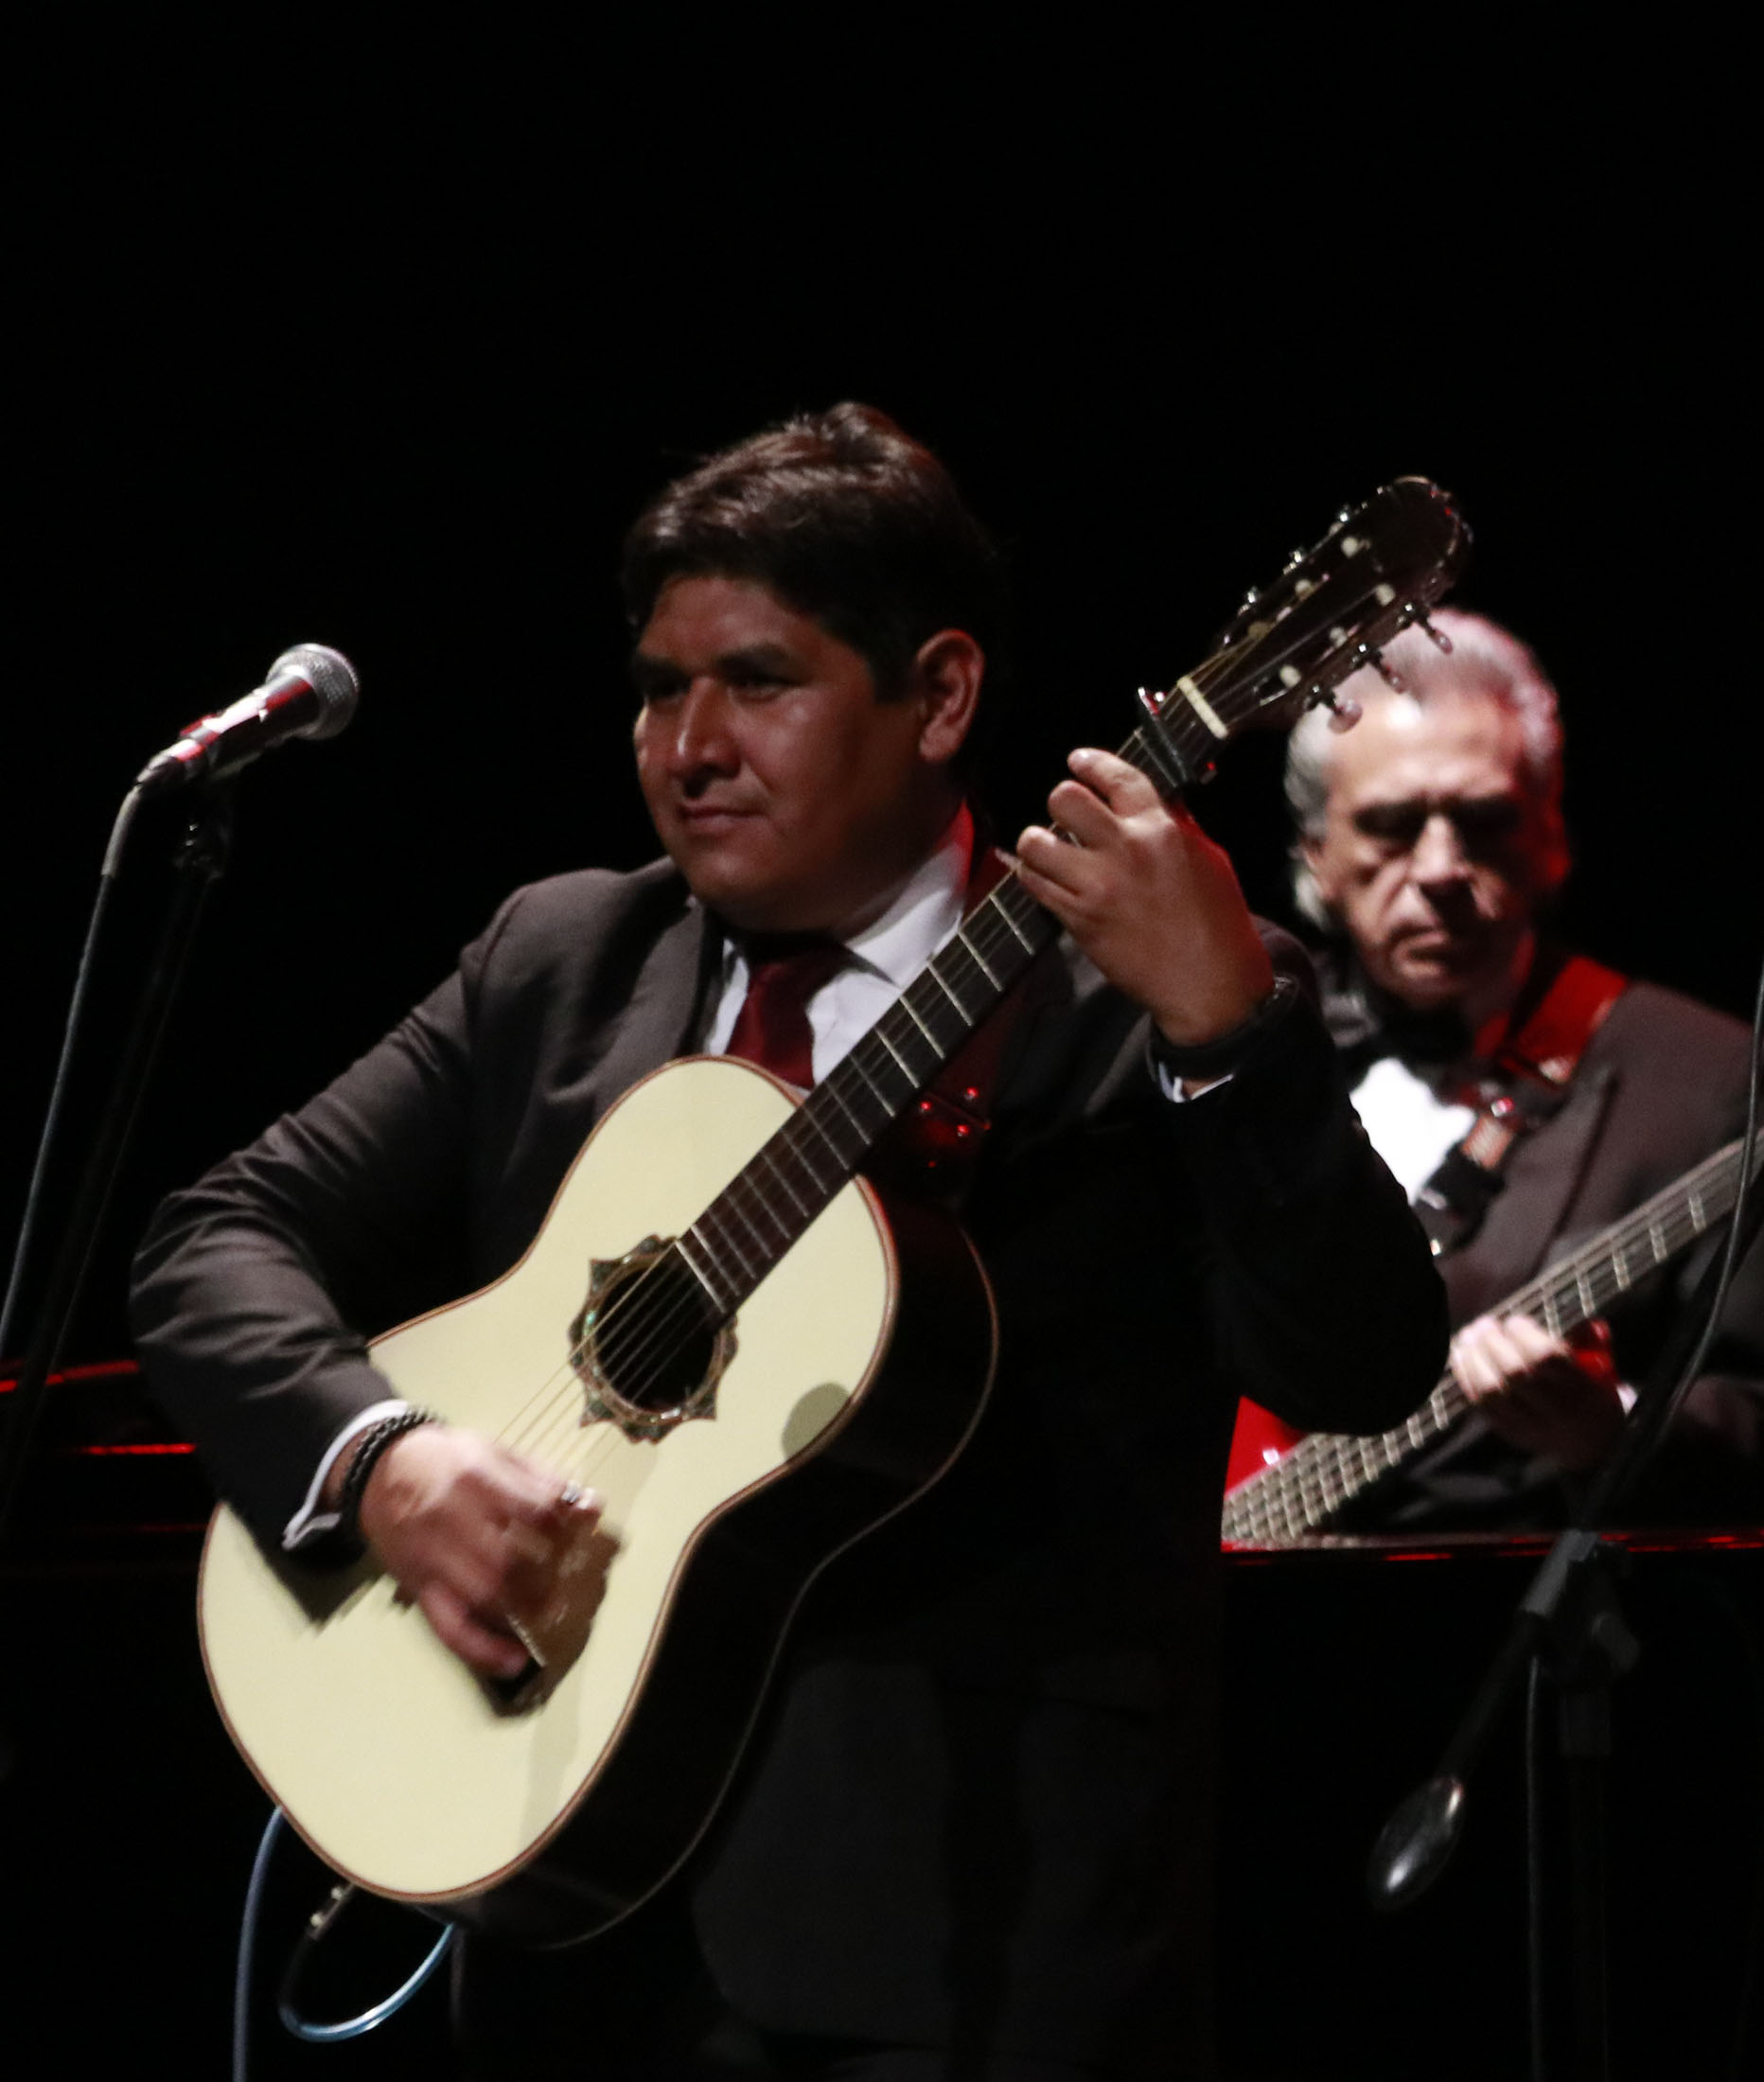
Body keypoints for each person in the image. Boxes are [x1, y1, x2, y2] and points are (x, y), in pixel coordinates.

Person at [131, 405, 1451, 2079]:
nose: (689, 743)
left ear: (943, 697)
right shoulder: (566, 960)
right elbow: (214, 1234)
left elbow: (1357, 1363)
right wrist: (383, 1462)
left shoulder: (1149, 987)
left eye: (758, 681)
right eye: (657, 689)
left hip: (980, 1962)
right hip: (569, 1932)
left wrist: (1225, 1034)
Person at [1253, 607, 1764, 1531]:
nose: (1440, 866)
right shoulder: (1254, 1054)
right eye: (1392, 826)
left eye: (1483, 820)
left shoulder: (1713, 1081)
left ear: (1552, 834)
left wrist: (1609, 1431)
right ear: (1317, 854)